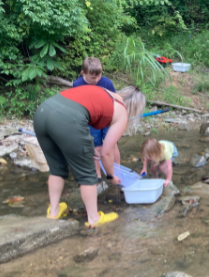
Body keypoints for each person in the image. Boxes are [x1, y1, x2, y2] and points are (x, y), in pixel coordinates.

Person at [34, 85, 146, 227]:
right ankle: (93, 218)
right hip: (67, 119)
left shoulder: (105, 93)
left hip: (43, 112)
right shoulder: (121, 111)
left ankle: (54, 212)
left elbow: (82, 115)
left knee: (57, 168)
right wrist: (111, 176)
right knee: (87, 175)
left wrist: (88, 147)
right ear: (135, 107)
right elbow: (106, 152)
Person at [73, 57, 121, 182]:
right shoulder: (77, 84)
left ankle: (118, 171)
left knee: (112, 145)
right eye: (92, 78)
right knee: (96, 148)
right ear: (83, 73)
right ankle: (98, 175)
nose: (96, 80)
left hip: (107, 118)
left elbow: (116, 100)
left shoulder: (106, 83)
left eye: (99, 76)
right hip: (91, 121)